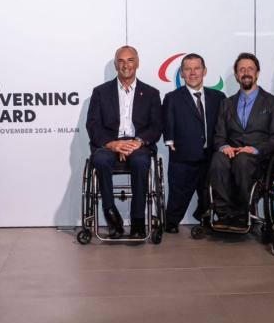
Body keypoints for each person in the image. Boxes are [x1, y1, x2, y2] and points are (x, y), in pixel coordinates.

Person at [86, 46, 162, 239]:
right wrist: (112, 144)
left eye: (130, 60)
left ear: (137, 63)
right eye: (121, 61)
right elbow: (93, 125)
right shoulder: (100, 92)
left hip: (138, 145)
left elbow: (156, 126)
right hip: (109, 144)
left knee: (140, 162)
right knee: (100, 160)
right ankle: (111, 214)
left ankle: (137, 220)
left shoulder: (151, 93)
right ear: (115, 65)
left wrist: (137, 142)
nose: (125, 65)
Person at [209, 53, 274, 231]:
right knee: (218, 159)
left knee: (243, 160)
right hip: (232, 154)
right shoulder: (226, 104)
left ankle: (243, 212)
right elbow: (219, 135)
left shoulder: (273, 102)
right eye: (241, 69)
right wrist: (225, 146)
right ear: (236, 75)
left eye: (250, 68)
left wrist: (255, 149)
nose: (246, 73)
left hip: (259, 158)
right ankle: (225, 214)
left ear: (257, 73)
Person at [162, 53, 224, 233]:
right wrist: (169, 140)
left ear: (204, 71)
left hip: (210, 156)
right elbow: (168, 121)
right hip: (183, 154)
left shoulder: (218, 97)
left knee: (208, 193)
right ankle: (172, 221)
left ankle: (204, 216)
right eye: (188, 69)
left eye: (197, 68)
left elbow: (223, 124)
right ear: (182, 73)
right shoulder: (172, 98)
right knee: (178, 193)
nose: (193, 73)